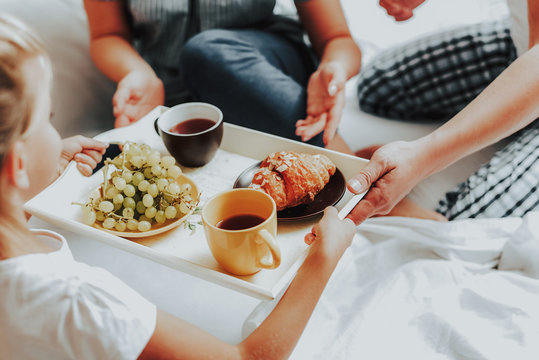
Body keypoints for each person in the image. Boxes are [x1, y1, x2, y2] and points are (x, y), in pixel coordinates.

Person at [0, 13, 356, 359]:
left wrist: (32, 179)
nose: (56, 134)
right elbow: (249, 357)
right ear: (17, 164)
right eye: (49, 120)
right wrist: (322, 259)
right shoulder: (78, 303)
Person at [344, 0, 538, 224]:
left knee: (467, 221)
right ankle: (512, 116)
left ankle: (518, 121)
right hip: (522, 44)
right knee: (375, 89)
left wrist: (422, 159)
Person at [83, 0, 361, 149]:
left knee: (206, 54)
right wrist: (136, 70)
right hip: (172, 95)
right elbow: (107, 34)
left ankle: (351, 168)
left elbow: (337, 38)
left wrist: (333, 68)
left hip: (263, 71)